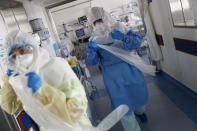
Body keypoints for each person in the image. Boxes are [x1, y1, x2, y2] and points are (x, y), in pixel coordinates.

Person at [0, 30, 91, 129]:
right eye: (13, 56)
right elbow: (10, 107)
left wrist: (43, 91)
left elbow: (76, 111)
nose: (19, 58)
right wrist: (8, 81)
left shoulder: (56, 66)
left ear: (32, 46)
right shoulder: (21, 80)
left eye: (22, 51)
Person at [85, 7, 148, 131]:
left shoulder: (120, 27)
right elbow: (91, 61)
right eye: (95, 21)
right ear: (91, 23)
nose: (99, 23)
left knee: (137, 95)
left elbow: (137, 42)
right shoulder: (93, 39)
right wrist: (90, 51)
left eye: (100, 20)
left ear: (106, 17)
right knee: (122, 104)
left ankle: (140, 111)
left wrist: (124, 38)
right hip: (112, 76)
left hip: (130, 69)